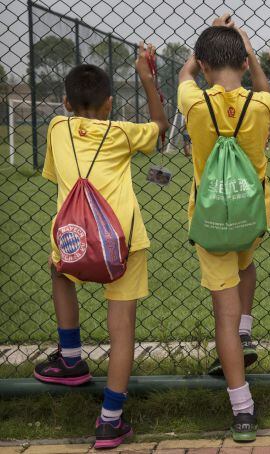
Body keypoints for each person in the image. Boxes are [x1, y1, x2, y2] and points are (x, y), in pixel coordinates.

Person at [33, 45, 169, 449]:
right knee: (121, 325)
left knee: (58, 269)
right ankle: (110, 419)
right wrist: (146, 76)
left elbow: (56, 176)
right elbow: (160, 126)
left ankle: (71, 356)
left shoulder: (58, 128)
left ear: (65, 102)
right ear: (110, 104)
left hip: (74, 240)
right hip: (124, 244)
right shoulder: (123, 132)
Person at [177, 14, 270, 441]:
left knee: (223, 309)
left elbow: (184, 74)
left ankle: (242, 408)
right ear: (244, 60)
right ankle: (245, 330)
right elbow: (269, 92)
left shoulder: (194, 103)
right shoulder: (262, 105)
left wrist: (194, 58)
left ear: (203, 65)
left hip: (212, 219)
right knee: (246, 265)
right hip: (252, 216)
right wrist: (251, 52)